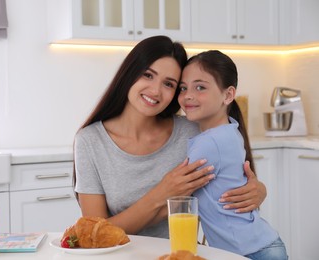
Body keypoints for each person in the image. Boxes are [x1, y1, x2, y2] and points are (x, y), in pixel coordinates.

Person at [73, 35, 267, 239]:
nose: (155, 91)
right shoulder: (90, 141)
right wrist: (161, 194)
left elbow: (231, 184)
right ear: (129, 74)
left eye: (169, 84)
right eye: (148, 75)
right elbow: (95, 234)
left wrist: (259, 190)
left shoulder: (193, 132)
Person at [178, 50, 287, 259]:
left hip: (252, 253)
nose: (188, 95)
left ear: (228, 95)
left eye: (200, 87)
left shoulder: (210, 143)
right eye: (183, 88)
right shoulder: (230, 129)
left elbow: (178, 193)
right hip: (260, 247)